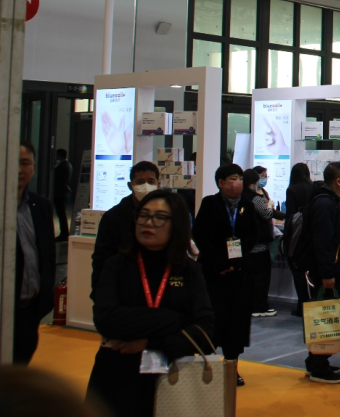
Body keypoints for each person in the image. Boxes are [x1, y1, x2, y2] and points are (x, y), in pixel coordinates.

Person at [87, 191, 215, 417]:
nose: (148, 223)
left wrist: (151, 341)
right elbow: (106, 320)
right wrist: (175, 319)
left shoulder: (189, 271)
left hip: (174, 376)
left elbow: (206, 330)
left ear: (176, 225)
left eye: (159, 217)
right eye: (143, 215)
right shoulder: (116, 265)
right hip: (116, 376)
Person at [192, 163, 259, 386]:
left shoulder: (247, 205)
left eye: (240, 178)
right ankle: (206, 367)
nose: (238, 182)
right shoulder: (210, 203)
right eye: (233, 178)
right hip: (213, 273)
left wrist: (236, 263)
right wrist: (219, 262)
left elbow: (252, 236)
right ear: (221, 183)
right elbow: (200, 235)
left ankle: (232, 367)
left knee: (236, 323)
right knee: (211, 320)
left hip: (239, 275)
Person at [303, 162, 340, 384]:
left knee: (327, 314)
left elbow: (339, 232)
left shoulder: (329, 201)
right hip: (327, 270)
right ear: (338, 181)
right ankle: (318, 365)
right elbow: (323, 241)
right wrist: (327, 273)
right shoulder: (324, 203)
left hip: (332, 268)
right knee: (324, 316)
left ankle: (317, 360)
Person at [14, 141, 56, 365]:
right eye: (14, 163)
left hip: (30, 310)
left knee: (22, 366)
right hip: (6, 309)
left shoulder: (40, 206)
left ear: (33, 166)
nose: (19, 170)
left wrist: (46, 298)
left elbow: (48, 255)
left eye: (25, 163)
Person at [92, 162, 161, 290]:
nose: (146, 186)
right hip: (124, 285)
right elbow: (101, 259)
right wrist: (99, 292)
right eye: (140, 182)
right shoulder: (113, 217)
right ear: (130, 186)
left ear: (159, 184)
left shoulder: (167, 215)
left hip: (158, 283)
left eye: (151, 181)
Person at [244, 168, 284, 318]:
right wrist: (269, 207)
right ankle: (259, 306)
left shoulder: (242, 197)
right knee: (261, 277)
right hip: (259, 243)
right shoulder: (255, 198)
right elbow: (267, 214)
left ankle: (253, 305)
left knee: (251, 278)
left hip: (248, 244)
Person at [284, 162, 313, 316]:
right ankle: (313, 303)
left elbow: (290, 215)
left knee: (297, 271)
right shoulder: (313, 187)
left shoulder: (292, 189)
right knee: (311, 270)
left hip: (297, 235)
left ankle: (302, 304)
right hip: (311, 234)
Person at [52, 148, 74, 241]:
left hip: (60, 192)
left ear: (60, 155)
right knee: (61, 213)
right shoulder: (68, 165)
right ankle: (64, 233)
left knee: (61, 214)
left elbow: (56, 177)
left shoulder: (62, 166)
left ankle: (64, 233)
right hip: (63, 192)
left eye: (57, 154)